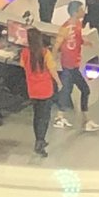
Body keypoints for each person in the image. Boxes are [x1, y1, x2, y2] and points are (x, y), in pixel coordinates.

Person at [53, 1, 99, 133]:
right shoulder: (65, 28)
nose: (84, 12)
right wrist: (52, 60)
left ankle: (64, 117)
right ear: (75, 12)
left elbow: (77, 39)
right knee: (79, 90)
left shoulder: (77, 25)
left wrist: (85, 42)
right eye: (81, 10)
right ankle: (83, 120)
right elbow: (57, 45)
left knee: (68, 90)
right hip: (69, 65)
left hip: (73, 64)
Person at [20, 27, 60, 157]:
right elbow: (52, 70)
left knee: (37, 116)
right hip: (45, 89)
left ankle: (38, 138)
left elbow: (22, 65)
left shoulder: (25, 53)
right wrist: (59, 82)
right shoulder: (45, 53)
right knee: (45, 117)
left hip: (32, 89)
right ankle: (40, 141)